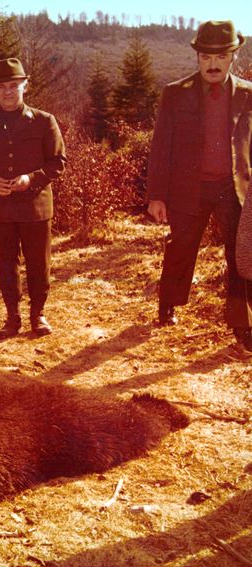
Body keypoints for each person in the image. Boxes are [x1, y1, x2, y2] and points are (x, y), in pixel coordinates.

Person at [147, 19, 252, 353]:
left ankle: (242, 322)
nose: (213, 64)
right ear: (197, 58)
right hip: (188, 188)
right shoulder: (176, 93)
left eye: (220, 56)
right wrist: (157, 196)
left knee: (241, 254)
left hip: (234, 188)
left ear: (233, 56)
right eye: (206, 57)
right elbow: (161, 146)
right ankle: (169, 303)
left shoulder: (248, 94)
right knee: (181, 246)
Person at [0, 57, 66, 339]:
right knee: (6, 265)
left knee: (38, 264)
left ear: (25, 86)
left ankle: (38, 314)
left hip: (35, 207)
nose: (7, 92)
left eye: (13, 85)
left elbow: (58, 162)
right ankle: (13, 317)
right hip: (2, 208)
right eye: (1, 87)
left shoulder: (44, 121)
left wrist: (31, 179)